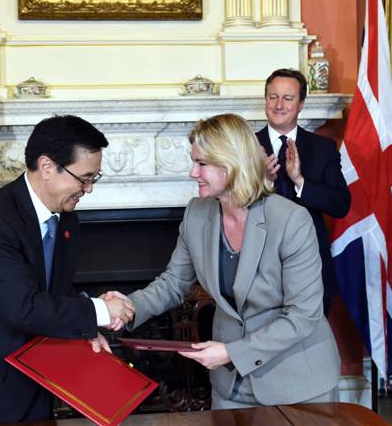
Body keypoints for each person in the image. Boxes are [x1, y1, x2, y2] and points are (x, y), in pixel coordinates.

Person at [0, 115, 135, 425]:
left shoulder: (66, 218)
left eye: (93, 178)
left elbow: (51, 291)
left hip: (33, 377)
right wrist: (98, 310)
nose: (88, 189)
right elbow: (23, 306)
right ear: (47, 166)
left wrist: (87, 329)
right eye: (83, 178)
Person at [121, 114, 341, 409]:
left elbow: (303, 314)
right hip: (230, 385)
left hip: (298, 382)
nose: (192, 173)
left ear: (232, 163)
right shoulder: (196, 213)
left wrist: (232, 353)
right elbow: (173, 283)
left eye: (201, 163)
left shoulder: (291, 220)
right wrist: (126, 308)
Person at [256, 68, 351, 315]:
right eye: (273, 97)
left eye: (288, 98)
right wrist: (262, 183)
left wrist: (300, 181)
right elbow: (227, 204)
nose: (279, 105)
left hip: (312, 269)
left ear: (301, 104)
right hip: (257, 271)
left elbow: (341, 204)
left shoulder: (323, 148)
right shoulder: (245, 146)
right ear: (265, 100)